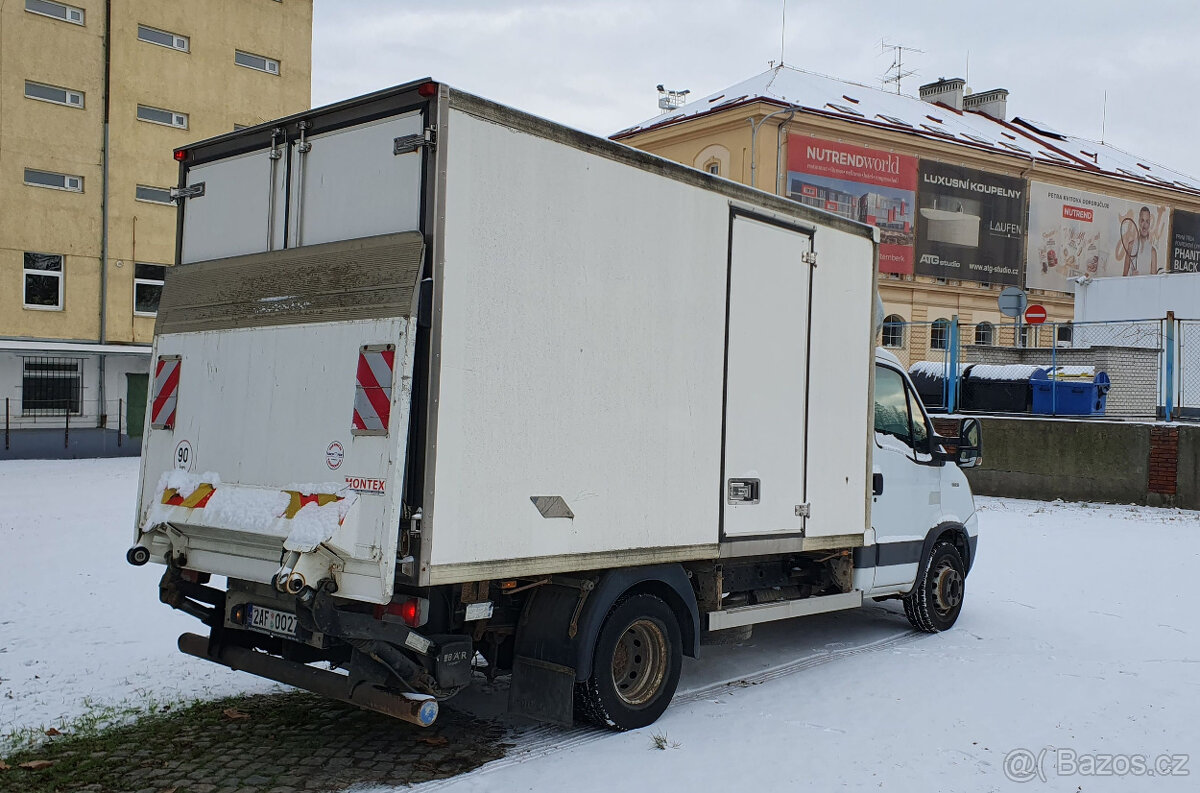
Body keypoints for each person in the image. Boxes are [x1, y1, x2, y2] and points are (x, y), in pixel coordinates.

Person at [1118, 205, 1165, 276]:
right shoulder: (1131, 246)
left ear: (1149, 224)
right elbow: (1124, 275)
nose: (1144, 225)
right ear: (1139, 222)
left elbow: (1153, 282)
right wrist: (1131, 277)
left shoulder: (1153, 252)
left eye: (1147, 221)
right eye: (1142, 220)